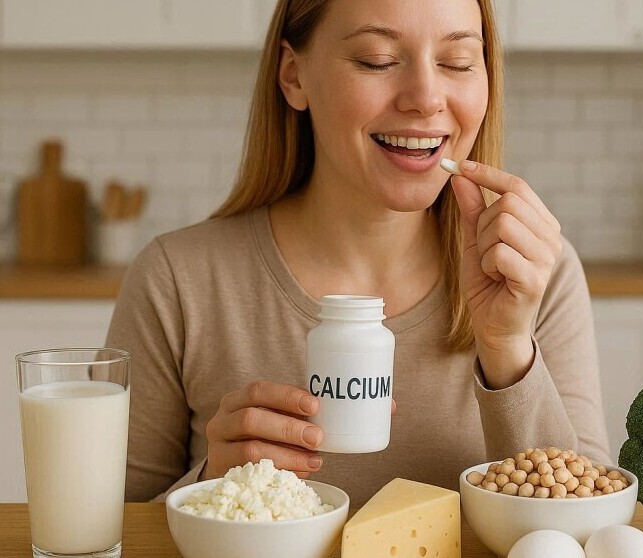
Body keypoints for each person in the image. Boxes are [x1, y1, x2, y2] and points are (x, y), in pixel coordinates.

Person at [107, 0, 610, 506]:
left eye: (457, 63)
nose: (426, 98)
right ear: (293, 75)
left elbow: (590, 526)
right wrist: (212, 485)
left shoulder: (533, 272)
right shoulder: (177, 279)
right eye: (377, 60)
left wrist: (508, 349)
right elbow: (115, 527)